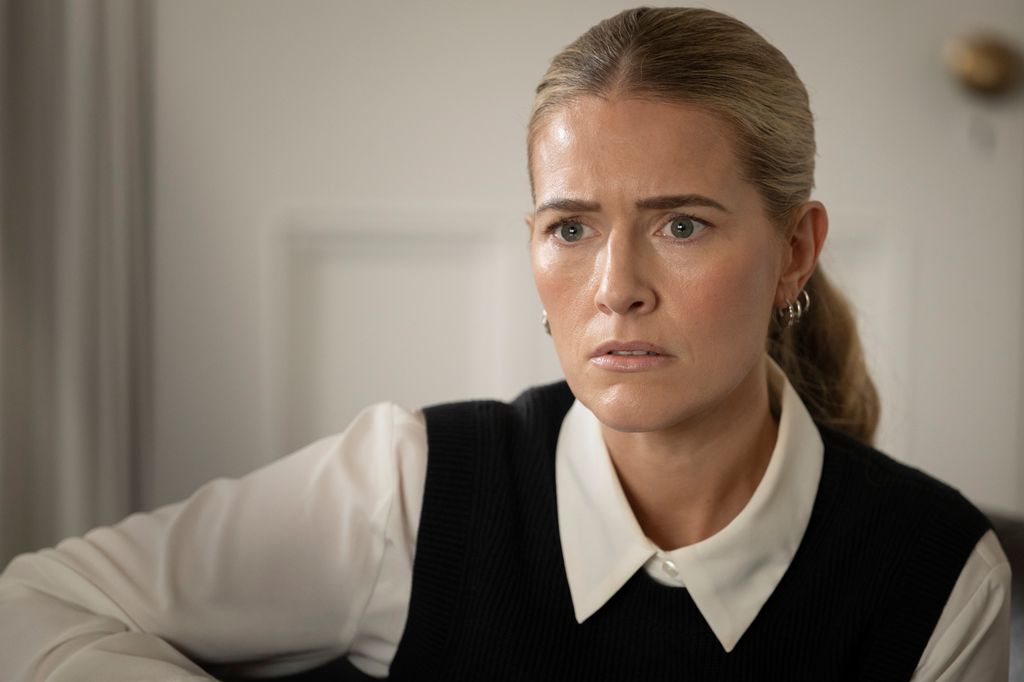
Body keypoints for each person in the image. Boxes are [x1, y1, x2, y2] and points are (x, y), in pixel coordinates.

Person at [0, 6, 1011, 681]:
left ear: (794, 250)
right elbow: (35, 603)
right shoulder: (408, 488)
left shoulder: (937, 576)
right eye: (569, 227)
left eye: (681, 225)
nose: (615, 288)